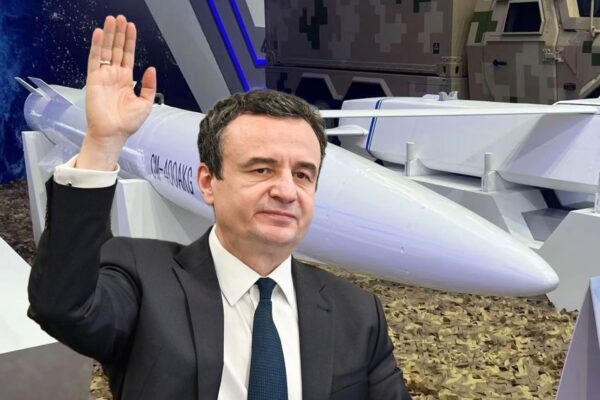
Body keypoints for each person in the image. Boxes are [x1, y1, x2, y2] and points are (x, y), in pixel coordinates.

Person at [28, 15, 412, 400]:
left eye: (302, 174)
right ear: (208, 182)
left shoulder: (358, 314)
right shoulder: (143, 280)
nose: (286, 191)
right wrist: (102, 143)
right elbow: (64, 308)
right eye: (261, 169)